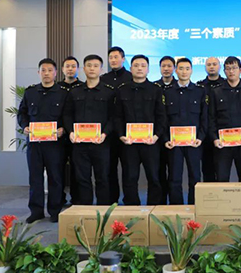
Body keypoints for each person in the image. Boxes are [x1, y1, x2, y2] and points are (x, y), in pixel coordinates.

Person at [18, 58, 68, 223]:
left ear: (55, 73)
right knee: (35, 178)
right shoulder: (30, 92)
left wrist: (63, 129)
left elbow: (67, 115)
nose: (46, 73)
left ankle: (55, 210)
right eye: (43, 70)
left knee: (55, 177)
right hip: (35, 144)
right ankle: (36, 211)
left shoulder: (63, 93)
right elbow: (22, 113)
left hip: (55, 145)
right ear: (38, 72)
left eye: (50, 70)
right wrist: (25, 126)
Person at [114, 55, 167, 205]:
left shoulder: (156, 90)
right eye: (136, 65)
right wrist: (121, 135)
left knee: (154, 177)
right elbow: (117, 116)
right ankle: (132, 208)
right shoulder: (122, 90)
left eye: (143, 66)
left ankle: (153, 207)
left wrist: (156, 136)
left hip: (151, 143)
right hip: (129, 143)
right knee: (130, 177)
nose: (139, 68)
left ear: (148, 69)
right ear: (130, 69)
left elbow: (161, 116)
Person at [63, 54, 115, 206]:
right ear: (84, 69)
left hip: (101, 143)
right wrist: (70, 132)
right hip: (80, 144)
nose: (92, 69)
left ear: (101, 69)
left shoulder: (109, 92)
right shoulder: (75, 92)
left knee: (102, 178)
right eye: (89, 66)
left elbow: (114, 117)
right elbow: (67, 115)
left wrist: (105, 134)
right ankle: (85, 210)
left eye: (96, 66)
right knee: (82, 178)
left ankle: (103, 210)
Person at [163, 58, 208, 204]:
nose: (184, 72)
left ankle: (194, 207)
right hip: (174, 143)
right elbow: (163, 119)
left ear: (192, 71)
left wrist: (200, 137)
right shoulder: (167, 92)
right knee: (174, 177)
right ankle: (176, 208)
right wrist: (166, 139)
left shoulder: (200, 91)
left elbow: (204, 117)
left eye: (187, 69)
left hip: (194, 142)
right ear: (176, 70)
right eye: (181, 68)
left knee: (195, 176)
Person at [209, 56, 241, 182]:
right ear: (224, 71)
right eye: (228, 69)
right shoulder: (216, 92)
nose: (231, 71)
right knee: (221, 178)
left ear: (240, 70)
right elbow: (211, 117)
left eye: (234, 68)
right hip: (222, 144)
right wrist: (215, 138)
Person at [101, 47, 133, 205]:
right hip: (108, 132)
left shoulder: (131, 77)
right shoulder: (103, 79)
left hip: (127, 131)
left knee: (128, 168)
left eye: (116, 57)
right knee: (109, 168)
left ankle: (129, 200)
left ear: (123, 58)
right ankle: (112, 200)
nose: (113, 60)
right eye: (110, 57)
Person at [58, 56, 82, 206]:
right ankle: (59, 198)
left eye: (73, 66)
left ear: (78, 69)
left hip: (78, 135)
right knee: (58, 168)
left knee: (77, 169)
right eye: (67, 66)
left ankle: (76, 199)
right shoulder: (56, 88)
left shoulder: (83, 87)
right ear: (62, 69)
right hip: (58, 135)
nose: (70, 69)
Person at [197, 57, 224, 182]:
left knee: (222, 168)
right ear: (205, 67)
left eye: (214, 64)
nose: (211, 67)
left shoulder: (226, 85)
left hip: (222, 133)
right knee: (207, 168)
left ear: (219, 66)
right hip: (205, 134)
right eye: (209, 64)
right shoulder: (199, 86)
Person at [154, 56, 177, 204]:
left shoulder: (179, 86)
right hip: (158, 137)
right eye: (163, 66)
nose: (166, 69)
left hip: (176, 138)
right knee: (159, 171)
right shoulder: (154, 87)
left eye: (169, 66)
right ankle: (161, 203)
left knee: (175, 173)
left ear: (174, 68)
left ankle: (175, 204)